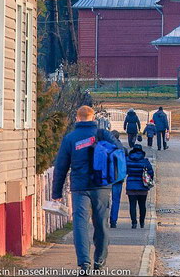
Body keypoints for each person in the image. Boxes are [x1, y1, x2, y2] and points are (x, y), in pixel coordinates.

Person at [52, 105, 124, 273]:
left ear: (77, 118)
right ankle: (99, 261)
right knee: (101, 224)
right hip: (102, 186)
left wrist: (56, 192)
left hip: (80, 188)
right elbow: (120, 152)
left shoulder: (70, 138)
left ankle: (84, 263)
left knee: (80, 224)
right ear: (93, 118)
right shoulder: (103, 134)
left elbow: (61, 166)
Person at [125, 144, 154, 228]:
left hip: (131, 185)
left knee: (132, 205)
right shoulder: (145, 161)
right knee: (142, 205)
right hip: (142, 186)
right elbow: (151, 173)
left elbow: (125, 171)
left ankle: (134, 223)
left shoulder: (128, 160)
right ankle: (142, 222)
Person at [109, 130, 126, 228]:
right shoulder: (122, 148)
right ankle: (113, 220)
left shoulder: (105, 147)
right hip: (119, 177)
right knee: (116, 200)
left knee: (104, 200)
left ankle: (103, 219)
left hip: (107, 178)